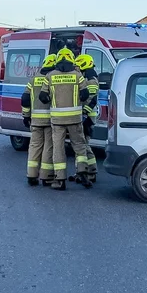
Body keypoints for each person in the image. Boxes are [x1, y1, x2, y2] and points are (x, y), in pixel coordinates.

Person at [39, 47, 90, 190]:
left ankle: (60, 180)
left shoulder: (50, 75)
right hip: (75, 118)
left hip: (57, 120)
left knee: (58, 148)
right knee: (79, 146)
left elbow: (42, 97)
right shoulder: (77, 75)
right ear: (71, 58)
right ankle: (82, 172)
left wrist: (52, 98)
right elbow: (85, 94)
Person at [22, 54, 57, 186]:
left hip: (35, 120)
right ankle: (46, 176)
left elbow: (25, 98)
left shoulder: (34, 79)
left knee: (34, 146)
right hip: (50, 120)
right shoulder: (52, 79)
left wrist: (26, 115)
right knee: (48, 146)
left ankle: (31, 174)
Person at [75, 53, 99, 182]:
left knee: (83, 145)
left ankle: (91, 171)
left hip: (87, 118)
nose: (76, 69)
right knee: (80, 145)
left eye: (78, 66)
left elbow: (91, 99)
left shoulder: (90, 79)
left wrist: (84, 114)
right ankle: (81, 171)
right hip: (85, 116)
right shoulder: (88, 76)